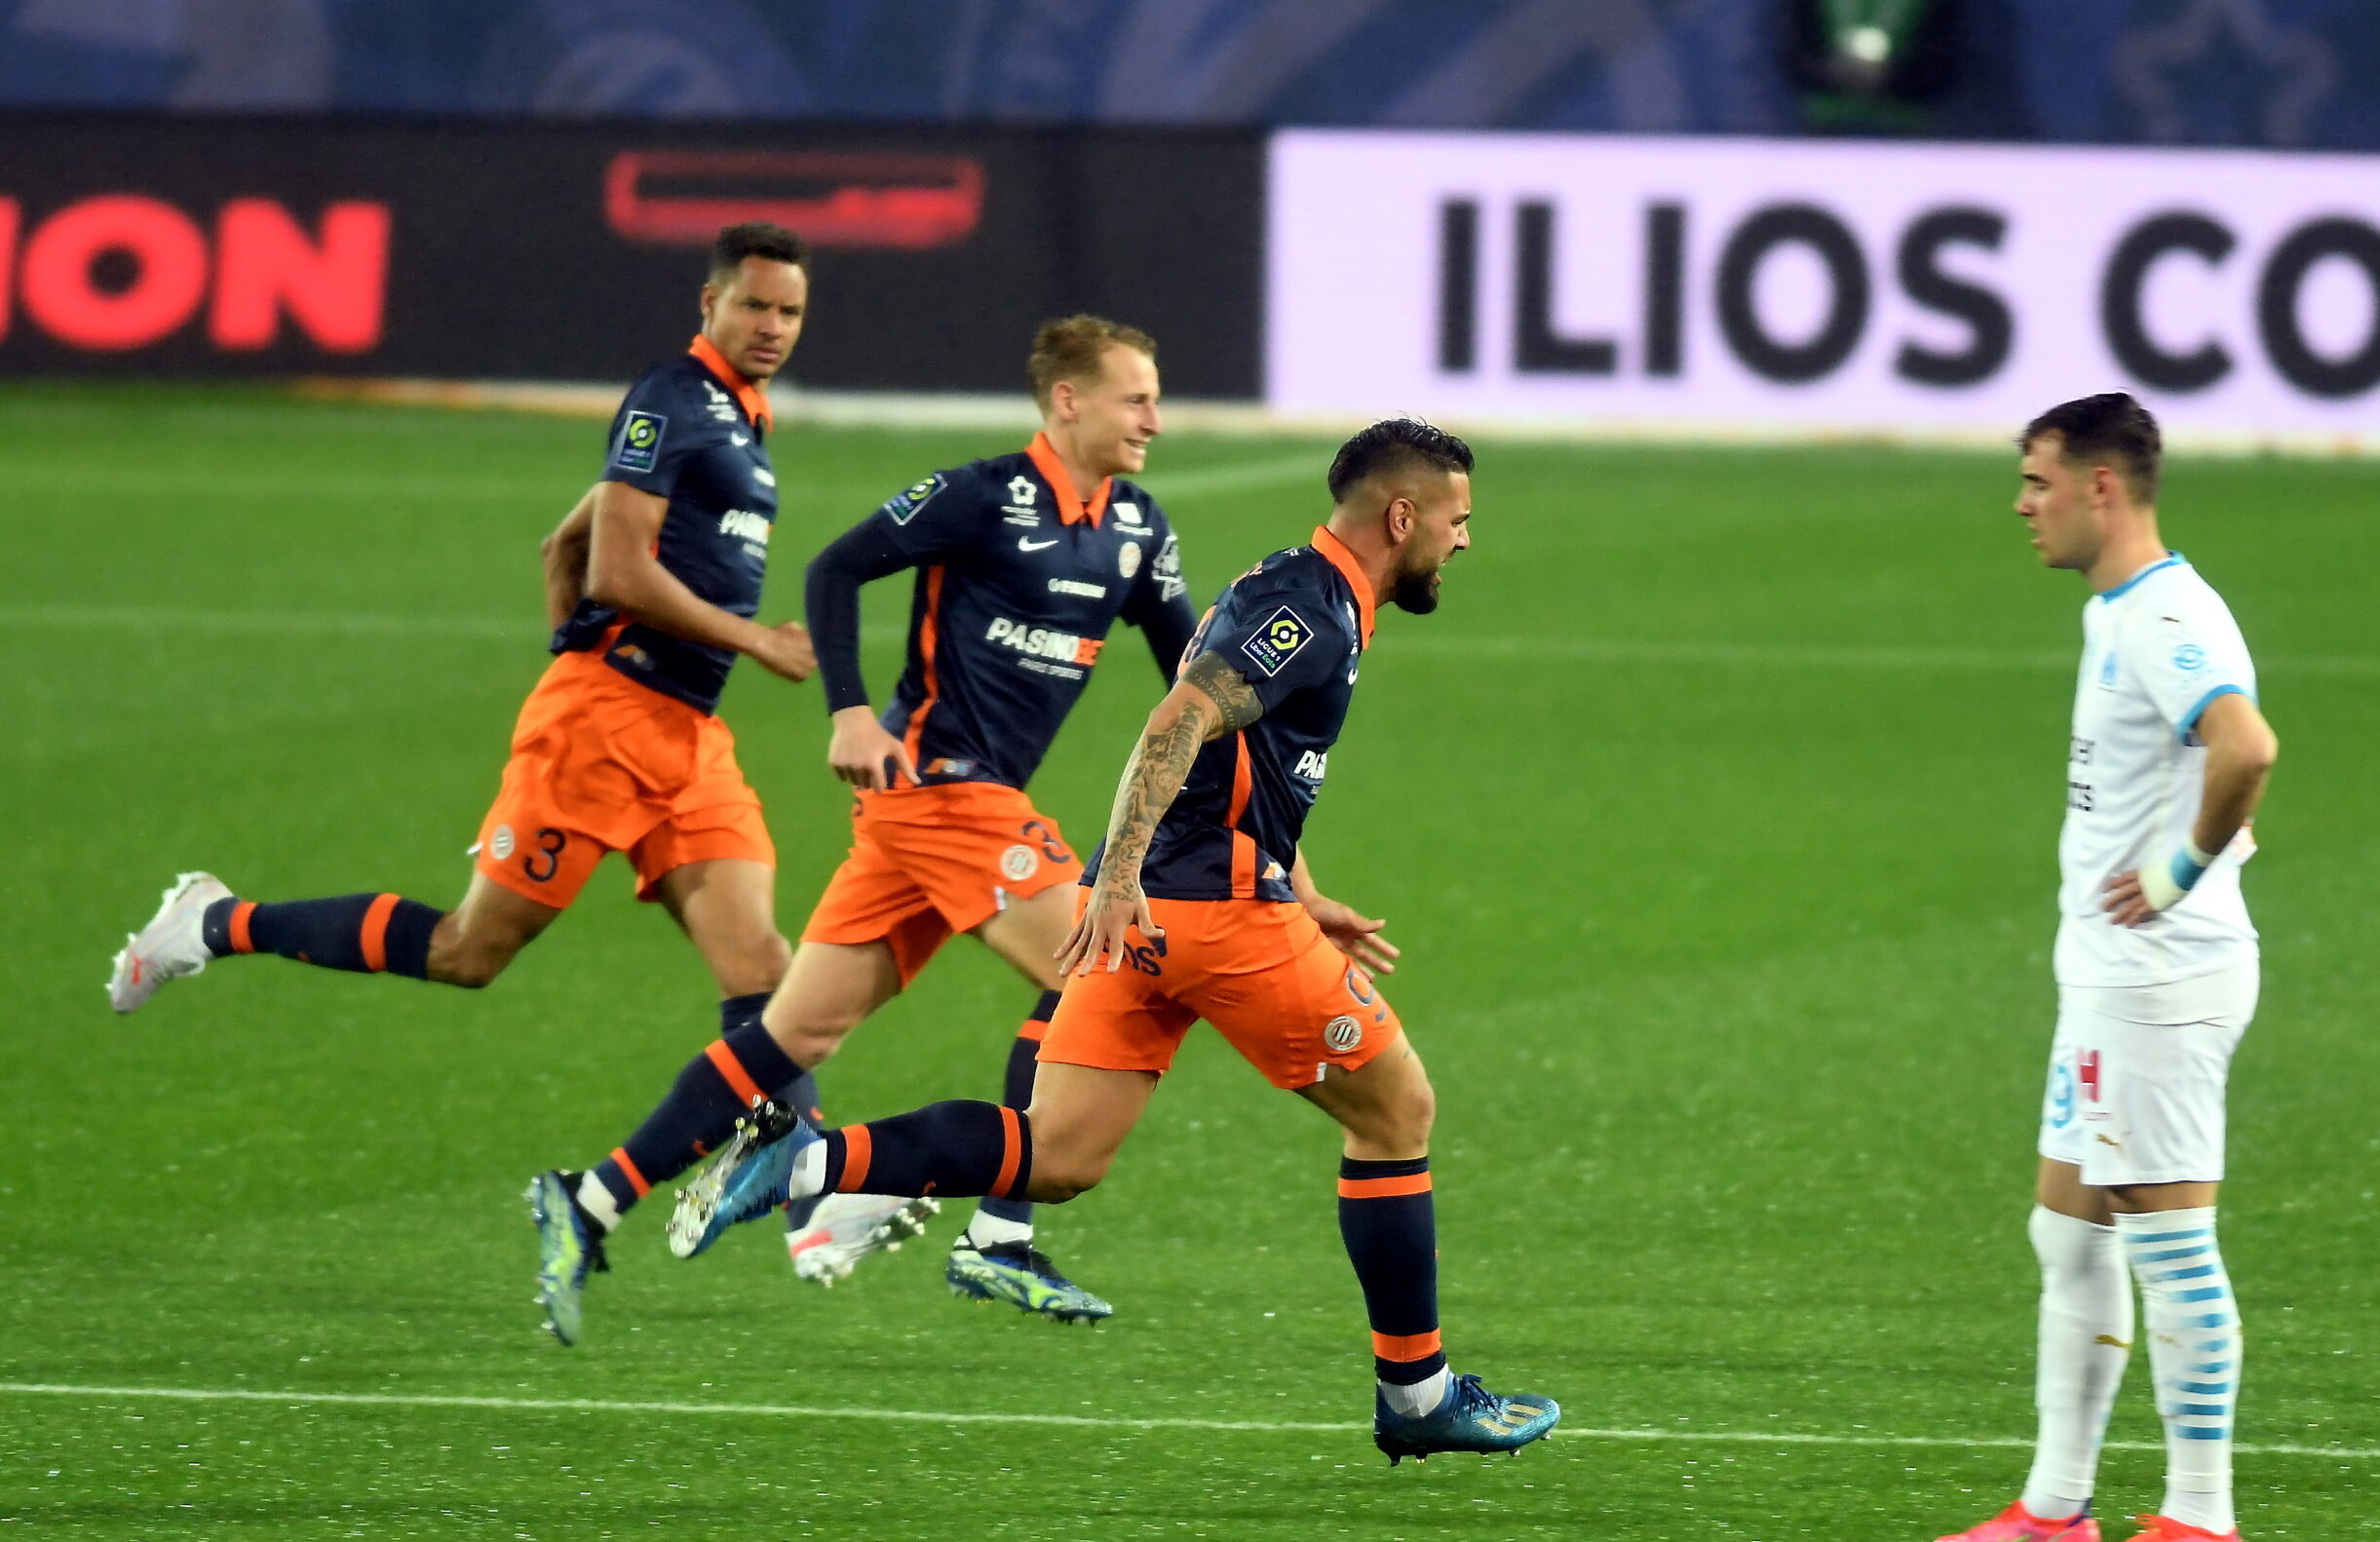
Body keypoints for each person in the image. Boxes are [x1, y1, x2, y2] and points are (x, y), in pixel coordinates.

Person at [672, 418, 1561, 1463]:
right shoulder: (1305, 606)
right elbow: (1176, 722)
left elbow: (1247, 765)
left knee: (1056, 1152)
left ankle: (803, 1156)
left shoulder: (1312, 593)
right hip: (1209, 916)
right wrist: (1133, 873)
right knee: (1396, 1107)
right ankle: (1416, 1395)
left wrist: (1283, 882)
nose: (1461, 541)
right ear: (1399, 515)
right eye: (1455, 520)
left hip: (1157, 910)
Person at [102, 222, 822, 1332]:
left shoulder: (745, 417)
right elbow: (615, 565)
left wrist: (587, 649)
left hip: (688, 738)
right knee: (467, 951)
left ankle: (787, 1173)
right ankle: (213, 921)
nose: (772, 329)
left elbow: (557, 551)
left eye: (789, 313)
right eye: (756, 308)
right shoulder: (673, 398)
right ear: (712, 302)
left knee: (765, 969)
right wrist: (687, 654)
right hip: (607, 725)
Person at [526, 316, 1199, 1337]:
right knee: (1097, 967)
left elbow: (1191, 672)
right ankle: (990, 1237)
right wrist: (848, 708)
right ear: (1068, 400)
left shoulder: (1138, 526)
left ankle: (588, 1198)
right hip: (942, 788)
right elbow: (836, 569)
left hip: (926, 816)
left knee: (795, 1029)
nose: (1155, 416)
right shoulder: (978, 496)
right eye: (1134, 397)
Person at [1936, 393, 2277, 1542]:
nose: (2022, 505)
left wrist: (2177, 870)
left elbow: (2247, 744)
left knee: (2171, 1241)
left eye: (2036, 481)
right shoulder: (2116, 610)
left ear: (2101, 486)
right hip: (2106, 978)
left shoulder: (2165, 616)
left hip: (2161, 980)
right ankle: (2055, 1503)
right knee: (2067, 1228)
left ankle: (2201, 1514)